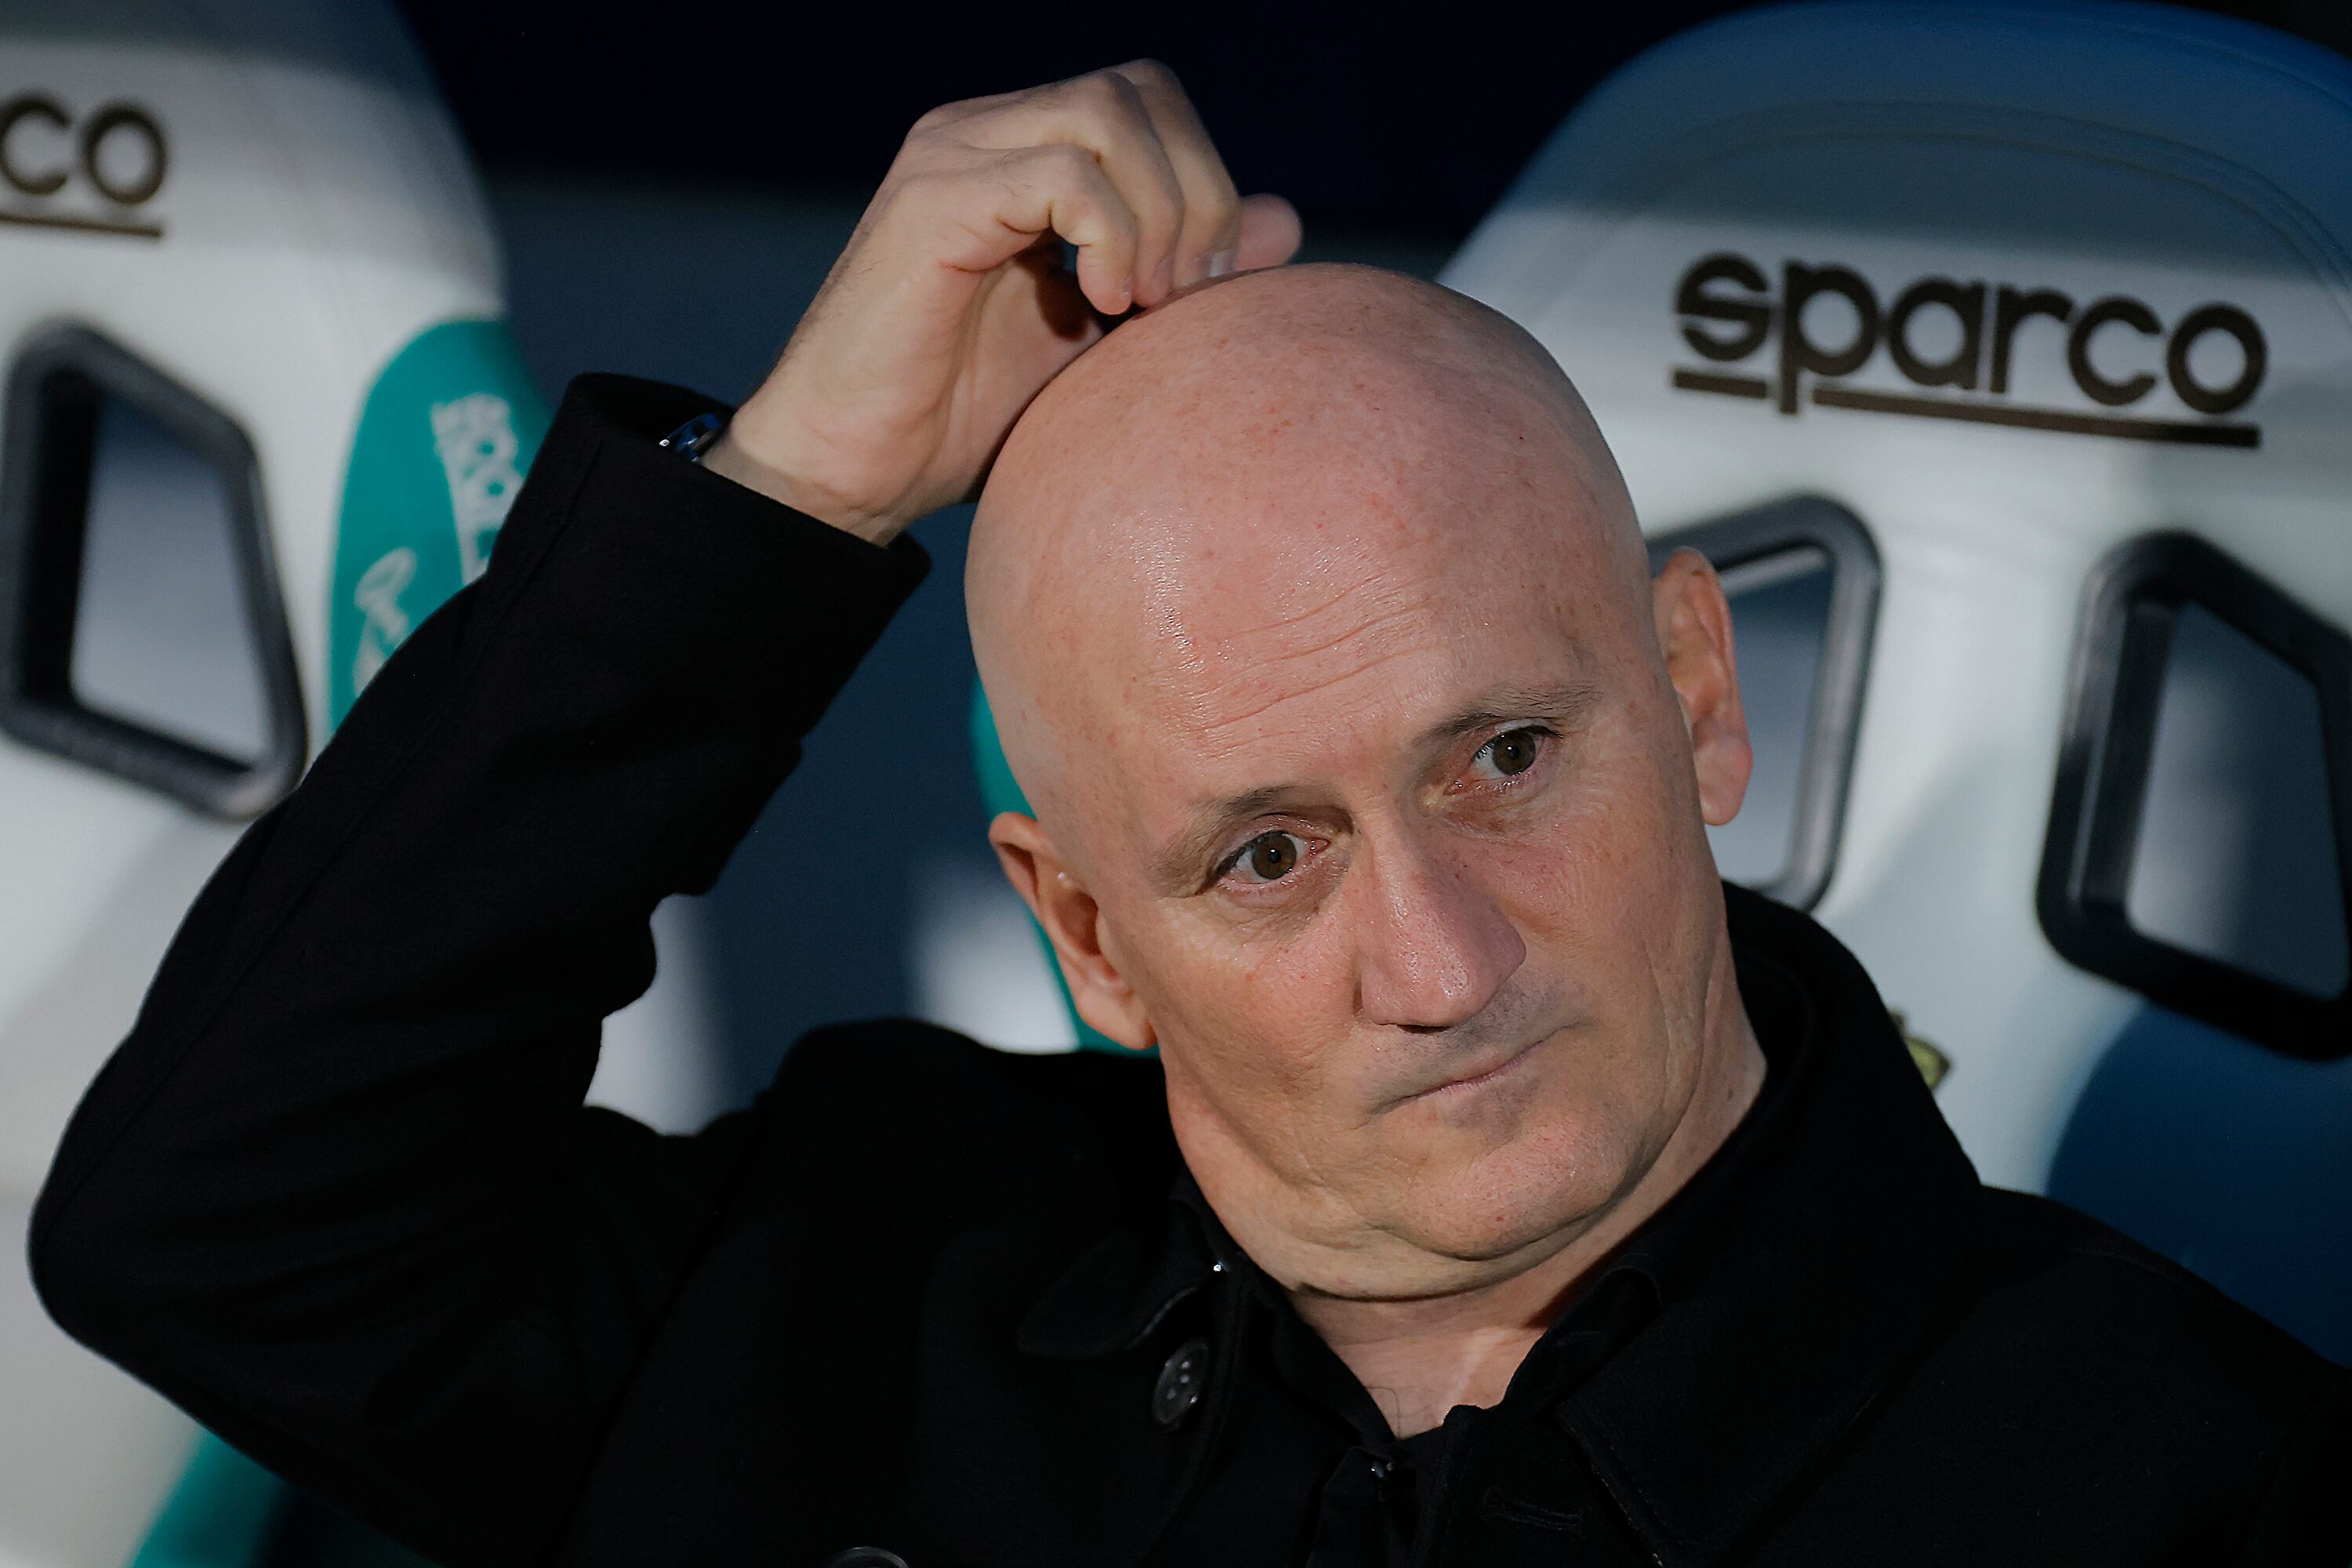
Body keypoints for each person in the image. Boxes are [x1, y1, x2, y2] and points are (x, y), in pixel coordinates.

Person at [30, 62, 2350, 1568]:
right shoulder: (849, 1263)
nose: (1439, 966)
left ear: (1694, 695)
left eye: (1505, 759)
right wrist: (795, 492)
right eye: (1267, 856)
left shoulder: (2202, 1500)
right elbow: (216, 1233)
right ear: (1085, 936)